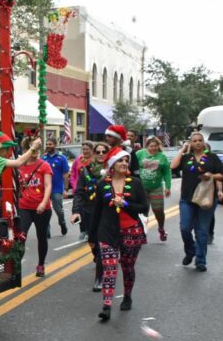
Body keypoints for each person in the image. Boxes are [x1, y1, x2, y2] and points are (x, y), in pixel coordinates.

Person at [89, 147, 149, 321]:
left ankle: (127, 296)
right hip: (107, 232)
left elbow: (144, 208)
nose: (124, 163)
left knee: (127, 267)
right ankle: (106, 305)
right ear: (112, 165)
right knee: (109, 269)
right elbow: (97, 213)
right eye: (120, 161)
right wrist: (92, 237)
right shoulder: (102, 185)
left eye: (126, 160)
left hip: (131, 231)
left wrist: (125, 204)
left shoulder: (136, 183)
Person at [170, 132, 223, 272]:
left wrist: (211, 175)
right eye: (194, 141)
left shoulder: (212, 158)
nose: (198, 142)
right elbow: (172, 166)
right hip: (187, 199)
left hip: (206, 199)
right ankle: (190, 251)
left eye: (200, 140)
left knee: (201, 232)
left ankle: (201, 261)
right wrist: (182, 149)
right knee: (185, 228)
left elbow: (221, 175)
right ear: (191, 143)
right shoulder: (186, 157)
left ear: (203, 142)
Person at [71, 142, 110, 291]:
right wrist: (76, 211)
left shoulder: (113, 170)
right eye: (98, 152)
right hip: (89, 212)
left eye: (104, 151)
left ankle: (99, 279)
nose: (101, 154)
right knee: (93, 242)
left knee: (101, 246)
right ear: (94, 153)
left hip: (108, 213)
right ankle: (98, 258)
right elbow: (79, 192)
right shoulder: (86, 171)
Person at [17, 137, 53, 277]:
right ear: (25, 150)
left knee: (41, 237)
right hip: (24, 207)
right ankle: (16, 266)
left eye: (37, 149)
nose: (36, 152)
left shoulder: (44, 165)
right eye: (32, 149)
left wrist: (43, 203)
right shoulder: (19, 165)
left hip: (41, 208)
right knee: (21, 237)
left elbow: (48, 185)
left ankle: (41, 264)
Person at [136, 136, 172, 241]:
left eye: (156, 146)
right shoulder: (140, 154)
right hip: (142, 188)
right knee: (143, 211)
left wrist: (168, 187)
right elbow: (133, 167)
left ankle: (161, 228)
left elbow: (167, 173)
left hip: (156, 188)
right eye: (151, 146)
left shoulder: (162, 157)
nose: (153, 148)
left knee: (158, 210)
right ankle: (142, 232)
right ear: (147, 146)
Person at [41, 137, 69, 236]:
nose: (48, 146)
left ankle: (62, 223)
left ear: (55, 145)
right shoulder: (43, 158)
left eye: (50, 144)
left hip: (57, 189)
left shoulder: (62, 158)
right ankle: (46, 230)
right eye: (47, 144)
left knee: (59, 210)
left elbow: (65, 175)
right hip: (44, 190)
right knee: (45, 211)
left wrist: (66, 189)